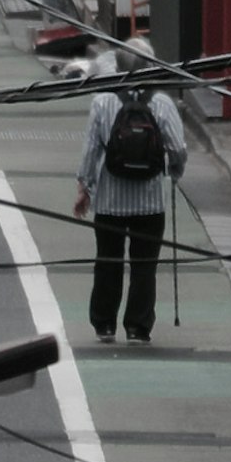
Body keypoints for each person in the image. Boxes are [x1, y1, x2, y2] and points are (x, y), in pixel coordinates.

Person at [73, 28, 191, 344]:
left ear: (120, 66)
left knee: (108, 259)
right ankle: (138, 327)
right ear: (150, 67)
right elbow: (178, 148)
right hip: (150, 201)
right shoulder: (162, 103)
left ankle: (104, 324)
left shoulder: (103, 101)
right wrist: (175, 171)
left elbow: (92, 149)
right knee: (144, 265)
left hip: (109, 199)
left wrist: (84, 187)